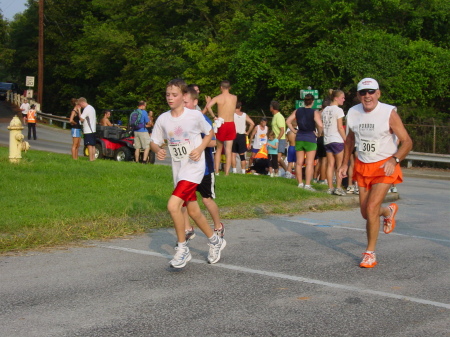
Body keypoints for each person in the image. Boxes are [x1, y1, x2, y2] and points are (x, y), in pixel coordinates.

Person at [150, 79, 226, 268]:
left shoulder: (194, 116)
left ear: (184, 96)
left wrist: (200, 148)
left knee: (173, 206)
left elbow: (210, 133)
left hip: (194, 168)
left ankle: (182, 249)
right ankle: (215, 240)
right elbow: (154, 141)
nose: (170, 98)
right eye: (168, 94)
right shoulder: (163, 118)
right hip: (179, 170)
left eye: (174, 95)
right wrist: (156, 149)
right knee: (193, 210)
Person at [338, 78, 412, 268]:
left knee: (371, 208)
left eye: (371, 92)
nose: (367, 96)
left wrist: (394, 160)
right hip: (363, 166)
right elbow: (350, 140)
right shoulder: (353, 112)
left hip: (384, 166)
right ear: (358, 95)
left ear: (378, 93)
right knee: (365, 213)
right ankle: (388, 211)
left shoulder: (388, 112)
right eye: (363, 93)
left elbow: (407, 141)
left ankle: (370, 253)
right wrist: (345, 163)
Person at [182, 86, 225, 241]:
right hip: (187, 168)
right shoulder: (179, 120)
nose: (183, 105)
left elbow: (214, 142)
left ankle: (218, 226)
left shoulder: (202, 119)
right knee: (183, 199)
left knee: (206, 199)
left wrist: (197, 145)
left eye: (185, 102)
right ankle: (187, 229)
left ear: (194, 102)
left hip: (205, 168)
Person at [286, 94, 323, 191]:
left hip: (299, 137)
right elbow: (320, 125)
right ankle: (307, 184)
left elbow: (288, 121)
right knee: (309, 163)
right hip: (310, 137)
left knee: (299, 163)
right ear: (313, 102)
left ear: (304, 101)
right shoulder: (314, 112)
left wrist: (294, 131)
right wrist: (318, 134)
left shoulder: (298, 111)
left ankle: (300, 183)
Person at [205, 80, 237, 175]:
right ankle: (227, 172)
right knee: (228, 150)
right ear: (229, 88)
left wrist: (214, 116)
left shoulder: (218, 98)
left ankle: (217, 171)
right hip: (230, 123)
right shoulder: (234, 97)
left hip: (221, 123)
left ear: (221, 87)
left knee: (219, 149)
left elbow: (208, 106)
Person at [322, 90, 347, 196]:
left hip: (327, 140)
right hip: (336, 139)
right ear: (336, 98)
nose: (344, 99)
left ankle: (330, 187)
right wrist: (346, 139)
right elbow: (340, 127)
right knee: (339, 165)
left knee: (330, 164)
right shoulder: (339, 110)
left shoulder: (325, 110)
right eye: (342, 97)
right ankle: (338, 187)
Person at [231, 102, 254, 173]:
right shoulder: (244, 115)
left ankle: (234, 170)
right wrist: (247, 132)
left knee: (233, 153)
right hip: (242, 135)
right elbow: (252, 124)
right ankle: (243, 171)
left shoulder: (232, 114)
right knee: (242, 155)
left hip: (234, 135)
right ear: (240, 107)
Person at [270, 101, 289, 176]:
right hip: (275, 139)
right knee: (276, 158)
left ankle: (280, 172)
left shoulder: (279, 117)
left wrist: (277, 139)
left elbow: (282, 130)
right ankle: (285, 171)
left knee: (277, 158)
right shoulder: (274, 116)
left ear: (272, 107)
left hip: (280, 139)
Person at [78, 97, 97, 161]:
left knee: (89, 145)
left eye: (80, 104)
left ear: (83, 102)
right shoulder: (92, 108)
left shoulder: (86, 109)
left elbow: (81, 119)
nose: (81, 106)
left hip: (88, 130)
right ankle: (93, 158)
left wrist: (79, 111)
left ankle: (90, 159)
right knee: (93, 145)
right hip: (93, 129)